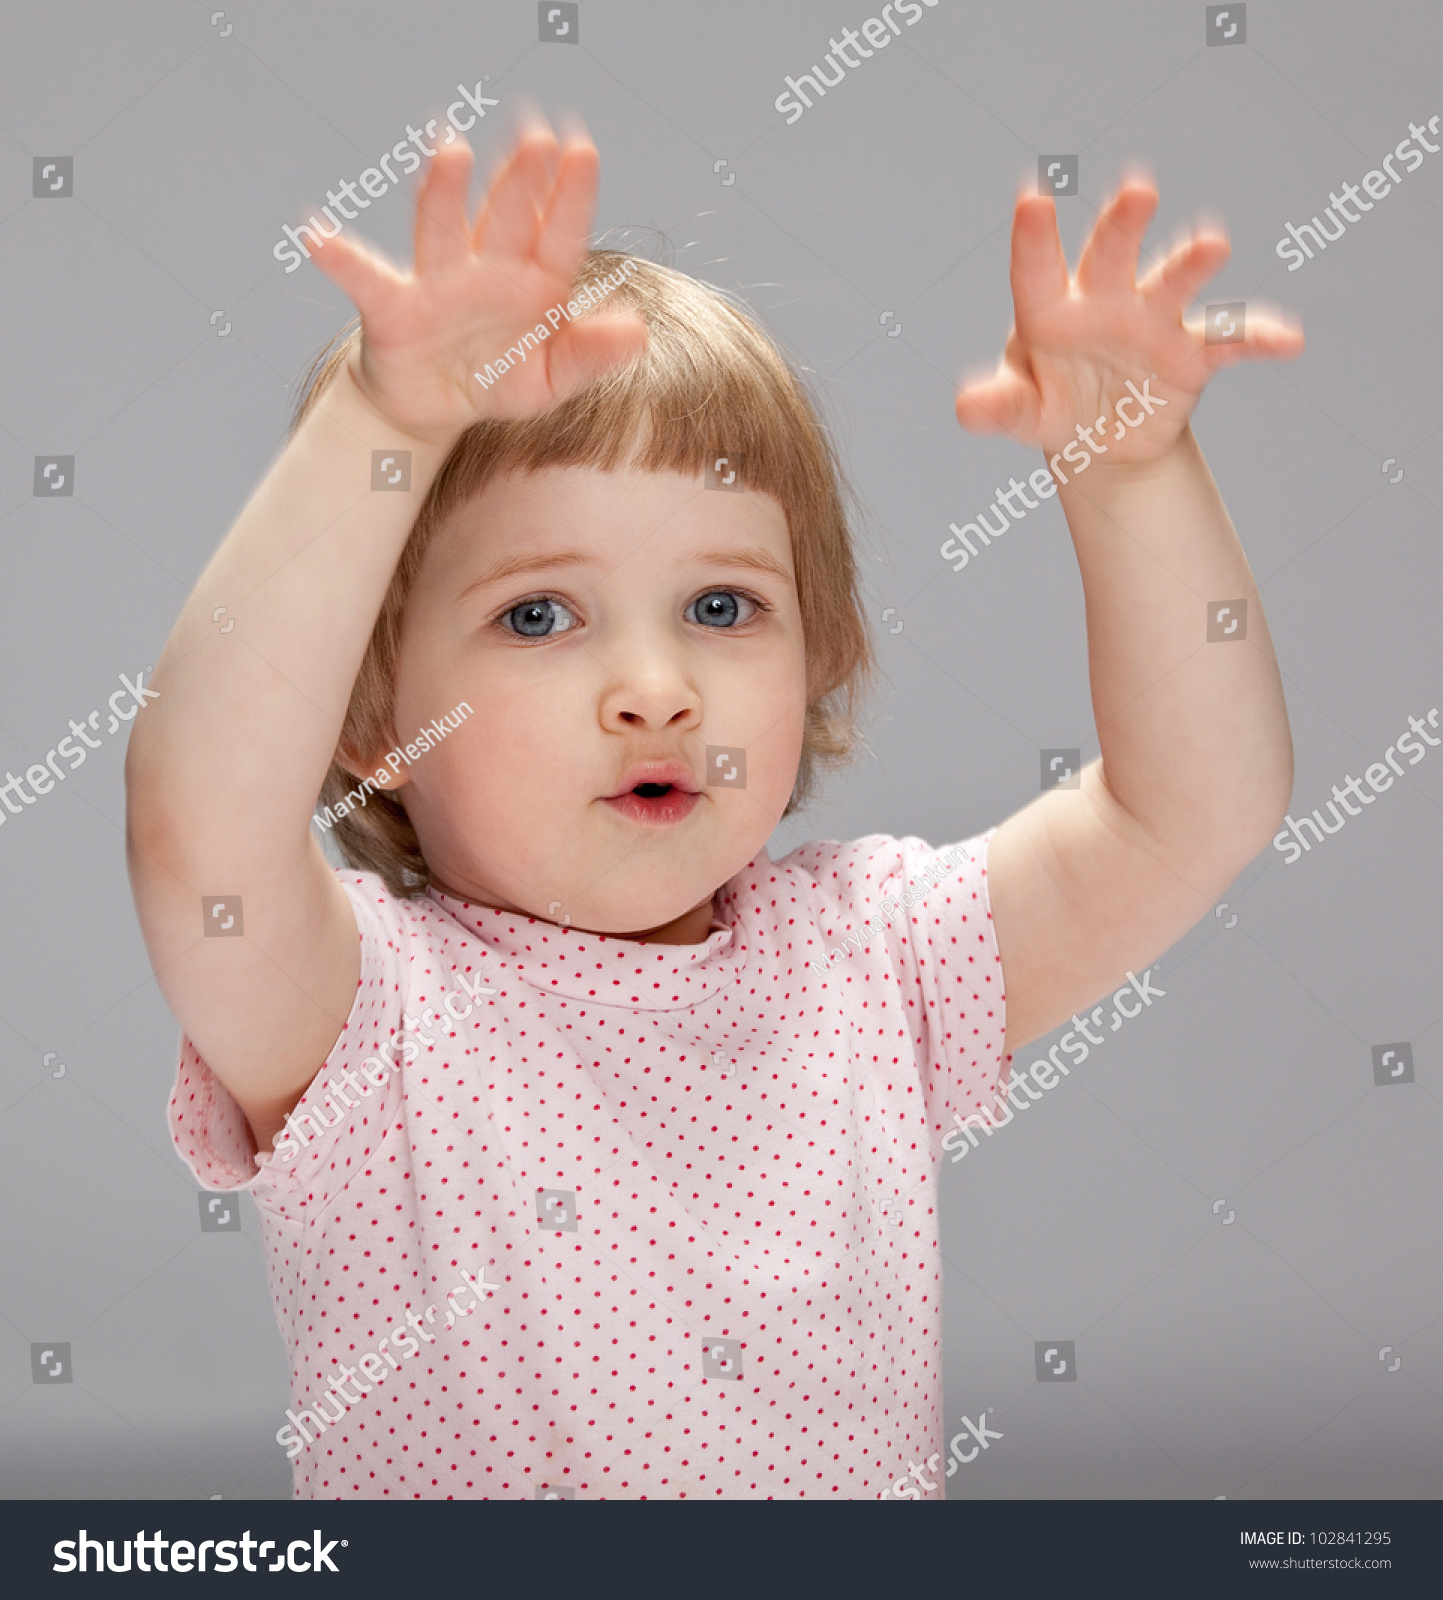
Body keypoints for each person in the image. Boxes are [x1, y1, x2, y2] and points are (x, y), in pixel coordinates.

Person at [124, 109, 1298, 1498]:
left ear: (821, 663)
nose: (654, 687)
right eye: (541, 613)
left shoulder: (873, 959)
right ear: (375, 718)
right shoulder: (368, 1018)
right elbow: (198, 822)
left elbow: (1196, 807)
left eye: (723, 605)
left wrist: (1132, 476)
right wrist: (379, 429)